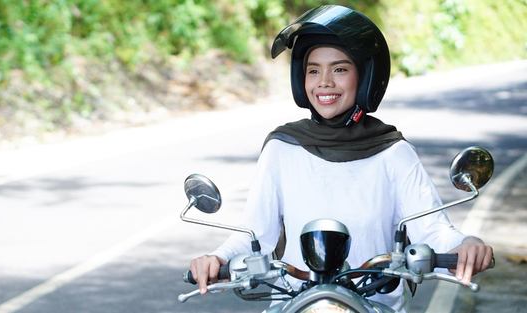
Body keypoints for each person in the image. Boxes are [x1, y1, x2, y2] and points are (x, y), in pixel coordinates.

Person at [189, 5, 493, 311]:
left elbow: (433, 230)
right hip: (297, 304)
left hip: (373, 307)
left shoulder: (393, 153)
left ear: (365, 78)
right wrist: (217, 258)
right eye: (313, 70)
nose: (324, 81)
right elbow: (256, 236)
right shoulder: (282, 148)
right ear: (301, 78)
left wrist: (464, 246)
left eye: (340, 69)